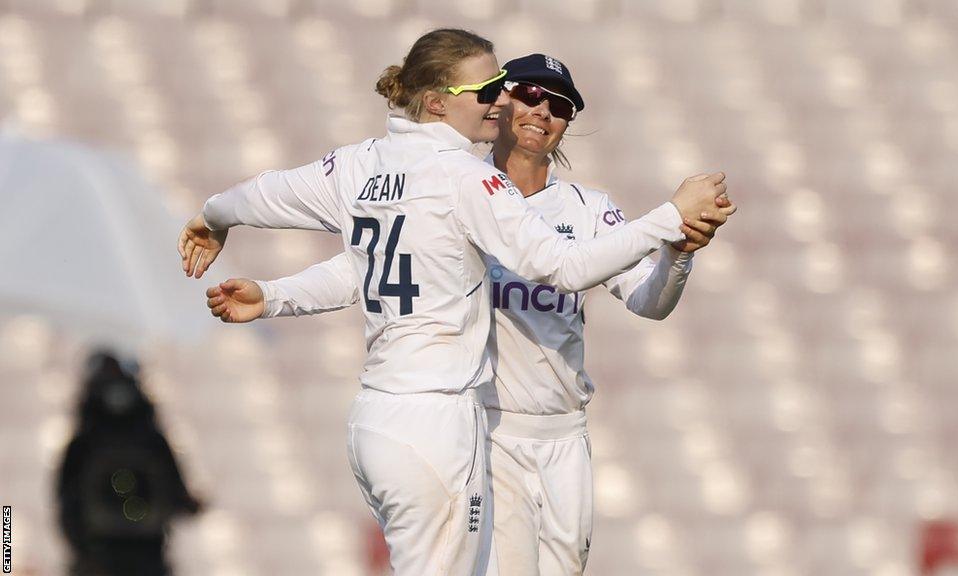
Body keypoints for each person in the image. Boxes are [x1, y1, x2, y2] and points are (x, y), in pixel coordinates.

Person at [178, 29, 733, 575]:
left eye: (559, 104)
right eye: (517, 91)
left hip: (538, 429)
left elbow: (284, 205)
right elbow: (561, 268)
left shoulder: (576, 205)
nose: (536, 108)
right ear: (465, 100)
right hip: (472, 423)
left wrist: (677, 254)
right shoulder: (467, 181)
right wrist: (667, 214)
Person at [56, 351, 202, 576]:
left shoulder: (86, 442)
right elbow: (178, 493)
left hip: (124, 553)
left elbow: (65, 502)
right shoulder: (147, 439)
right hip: (128, 553)